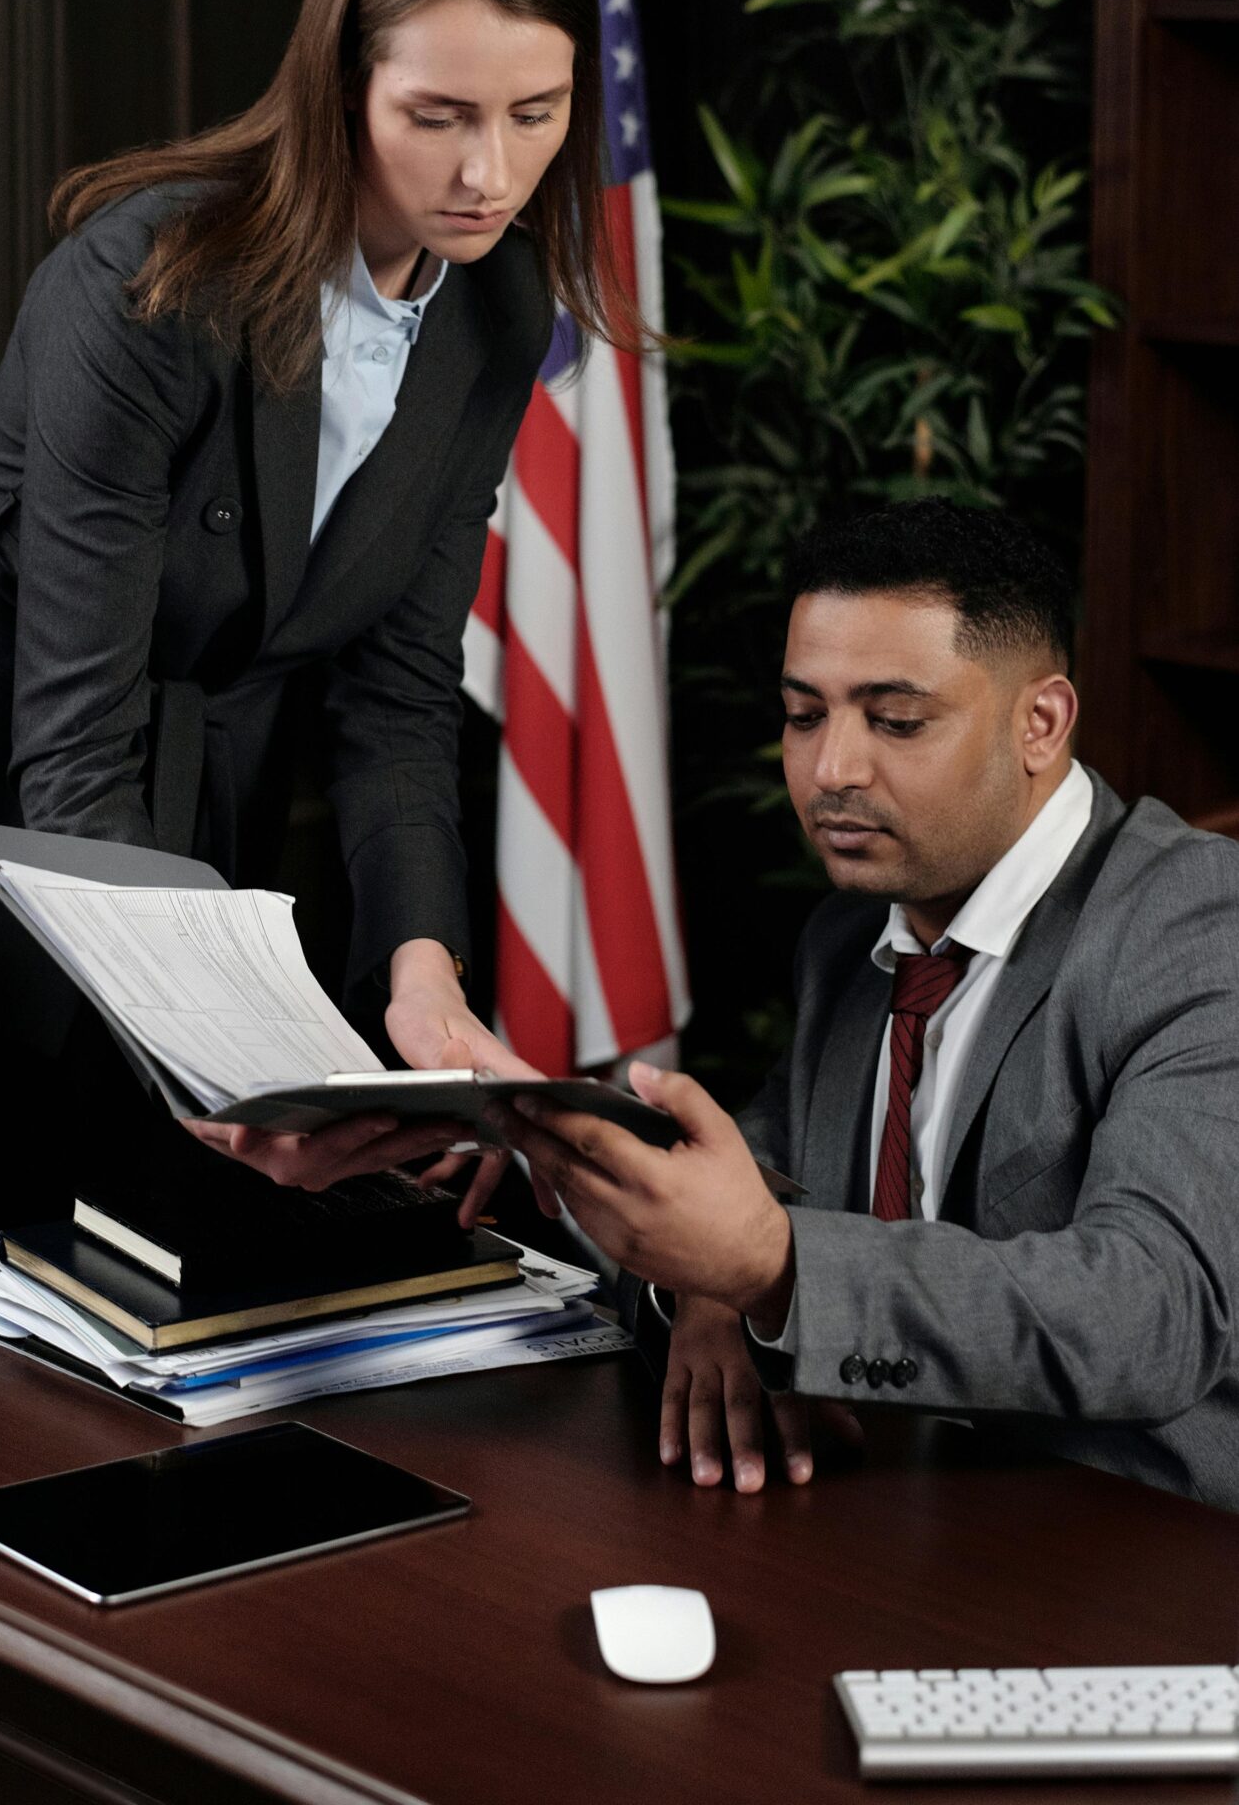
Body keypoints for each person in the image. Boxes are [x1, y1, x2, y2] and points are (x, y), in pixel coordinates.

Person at [0, 0, 641, 1342]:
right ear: (339, 87)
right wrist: (208, 1056)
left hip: (177, 861)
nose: (488, 171)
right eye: (435, 117)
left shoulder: (499, 309)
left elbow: (399, 695)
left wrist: (422, 986)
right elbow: (75, 731)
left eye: (534, 114)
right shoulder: (151, 284)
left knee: (131, 1368)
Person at [506, 501, 1239, 1511]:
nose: (831, 770)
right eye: (804, 715)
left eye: (895, 721)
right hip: (891, 1522)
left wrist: (769, 1265)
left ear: (1040, 722)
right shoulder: (848, 937)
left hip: (1133, 1553)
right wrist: (697, 1277)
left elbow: (1149, 1314)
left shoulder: (1199, 922)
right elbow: (741, 1180)